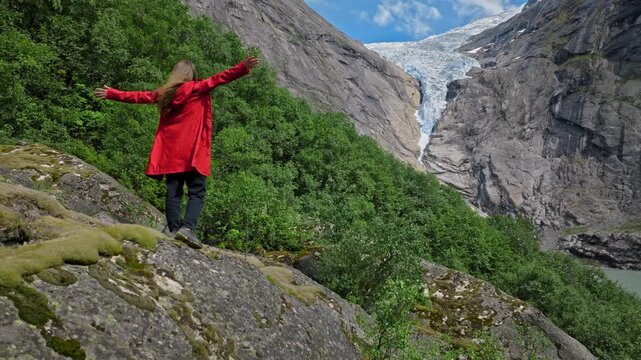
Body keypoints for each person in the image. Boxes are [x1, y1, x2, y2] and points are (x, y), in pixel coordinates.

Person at [95, 56, 260, 248]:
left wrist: (112, 94)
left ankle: (174, 230)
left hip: (171, 153)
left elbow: (139, 96)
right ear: (192, 75)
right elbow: (220, 78)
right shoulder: (197, 88)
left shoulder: (163, 94)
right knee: (197, 192)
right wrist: (242, 67)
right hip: (192, 153)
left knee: (173, 192)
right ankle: (187, 230)